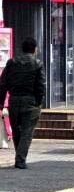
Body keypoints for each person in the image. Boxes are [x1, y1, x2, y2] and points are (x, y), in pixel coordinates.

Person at [0, 38, 45, 169]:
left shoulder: (11, 62)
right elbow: (40, 86)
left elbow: (3, 84)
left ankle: (19, 157)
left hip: (13, 100)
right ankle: (20, 160)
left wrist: (1, 103)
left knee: (16, 131)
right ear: (35, 49)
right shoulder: (37, 63)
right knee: (27, 132)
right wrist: (38, 101)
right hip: (30, 101)